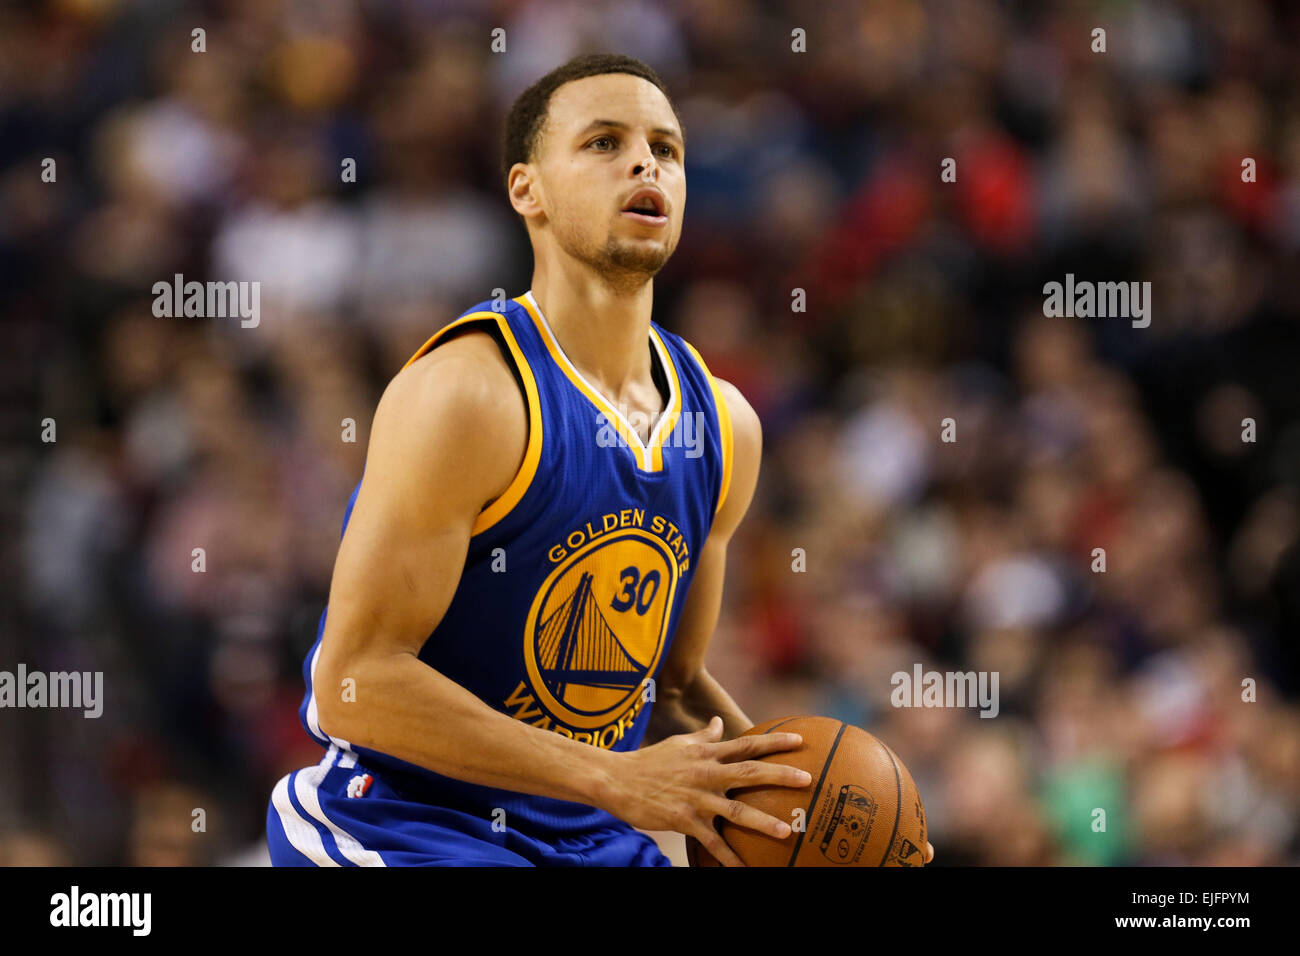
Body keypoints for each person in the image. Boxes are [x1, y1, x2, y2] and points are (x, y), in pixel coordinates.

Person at [266, 52, 929, 867]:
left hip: (587, 832)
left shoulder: (724, 428)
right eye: (604, 143)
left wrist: (797, 821)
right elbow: (353, 684)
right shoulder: (468, 395)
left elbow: (672, 693)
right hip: (405, 821)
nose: (646, 161)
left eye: (666, 148)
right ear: (526, 190)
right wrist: (612, 779)